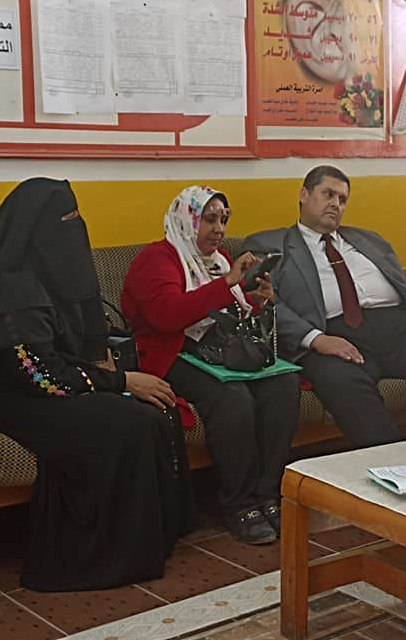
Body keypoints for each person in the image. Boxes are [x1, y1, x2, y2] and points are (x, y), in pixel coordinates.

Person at [0, 178, 195, 591]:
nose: (73, 232)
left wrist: (112, 374)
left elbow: (75, 348)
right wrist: (119, 382)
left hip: (50, 384)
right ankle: (100, 558)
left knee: (158, 410)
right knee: (130, 422)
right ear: (34, 230)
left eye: (77, 218)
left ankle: (155, 538)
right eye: (64, 222)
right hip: (7, 398)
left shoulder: (55, 276)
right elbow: (40, 376)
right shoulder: (11, 291)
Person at [122, 186, 300, 545]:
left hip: (218, 349)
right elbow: (166, 316)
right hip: (169, 352)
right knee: (232, 398)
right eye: (209, 219)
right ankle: (238, 503)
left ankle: (267, 493)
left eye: (223, 220)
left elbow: (229, 312)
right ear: (186, 220)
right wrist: (228, 282)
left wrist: (258, 301)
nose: (219, 229)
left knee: (284, 387)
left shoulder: (218, 260)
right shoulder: (157, 259)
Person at [243, 165, 406, 448]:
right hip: (334, 336)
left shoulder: (370, 240)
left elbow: (405, 286)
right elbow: (262, 302)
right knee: (342, 383)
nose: (336, 204)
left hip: (401, 329)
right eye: (328, 194)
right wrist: (316, 339)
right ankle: (391, 464)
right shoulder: (269, 244)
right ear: (304, 194)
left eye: (342, 199)